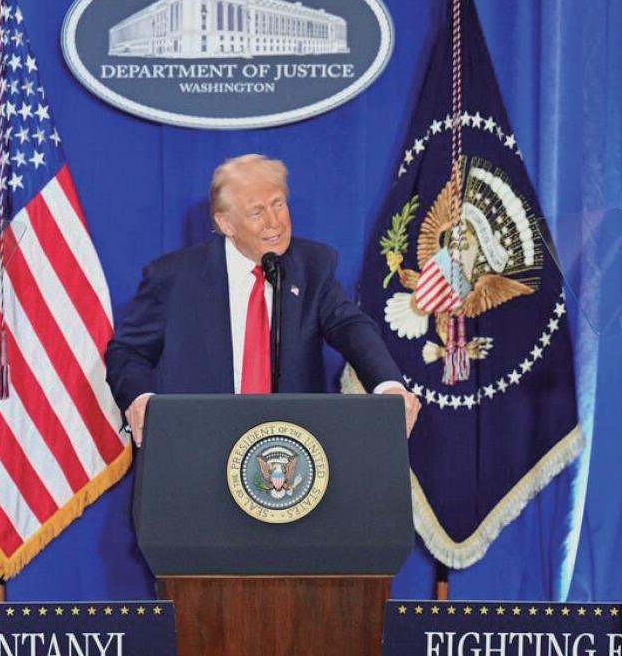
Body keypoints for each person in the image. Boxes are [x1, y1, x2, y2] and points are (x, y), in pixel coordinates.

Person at [105, 154, 421, 444]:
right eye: (257, 212)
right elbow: (128, 351)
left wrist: (388, 386)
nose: (274, 222)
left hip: (289, 455)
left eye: (278, 204)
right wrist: (141, 399)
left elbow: (351, 327)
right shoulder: (174, 278)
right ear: (225, 224)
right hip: (199, 445)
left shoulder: (312, 266)